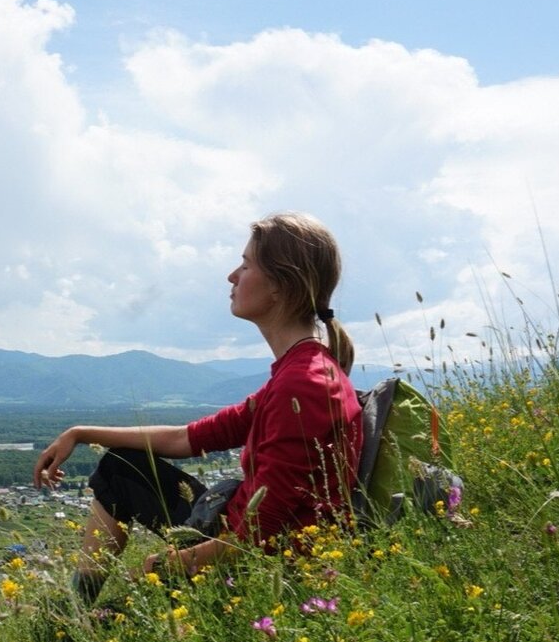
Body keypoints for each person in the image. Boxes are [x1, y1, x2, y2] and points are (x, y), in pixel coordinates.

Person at [34, 212, 363, 604]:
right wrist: (80, 433)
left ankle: (66, 626)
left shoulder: (302, 385)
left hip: (250, 569)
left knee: (112, 624)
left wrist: (163, 565)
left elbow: (260, 534)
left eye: (246, 264)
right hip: (232, 536)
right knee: (120, 467)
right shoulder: (298, 374)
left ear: (281, 284)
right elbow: (188, 438)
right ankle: (74, 612)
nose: (232, 276)